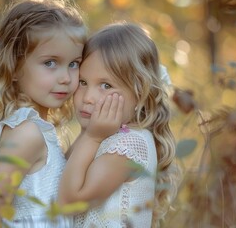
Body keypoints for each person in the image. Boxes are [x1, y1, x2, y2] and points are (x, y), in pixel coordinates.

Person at [0, 0, 87, 227]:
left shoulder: (35, 128)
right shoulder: (26, 133)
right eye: (50, 62)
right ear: (14, 66)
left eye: (74, 64)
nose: (65, 77)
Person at [58, 22, 181, 228]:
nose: (88, 97)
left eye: (106, 86)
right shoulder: (104, 134)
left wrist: (92, 137)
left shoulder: (129, 145)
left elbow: (68, 202)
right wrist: (89, 134)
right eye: (83, 82)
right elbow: (64, 173)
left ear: (139, 92)